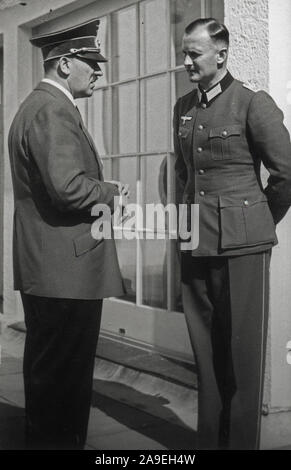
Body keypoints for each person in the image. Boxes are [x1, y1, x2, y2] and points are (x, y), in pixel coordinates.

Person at [8, 18, 127, 450]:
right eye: (90, 62)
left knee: (52, 377)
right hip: (66, 271)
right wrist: (110, 192)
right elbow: (67, 188)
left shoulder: (41, 107)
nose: (98, 71)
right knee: (63, 381)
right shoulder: (52, 110)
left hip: (55, 268)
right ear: (63, 64)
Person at [173, 18, 291, 449]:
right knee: (205, 351)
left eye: (194, 54)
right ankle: (209, 441)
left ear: (221, 54)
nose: (186, 61)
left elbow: (286, 173)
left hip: (243, 246)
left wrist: (257, 222)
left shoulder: (251, 103)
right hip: (195, 240)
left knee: (241, 355)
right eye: (184, 52)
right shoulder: (183, 106)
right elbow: (186, 173)